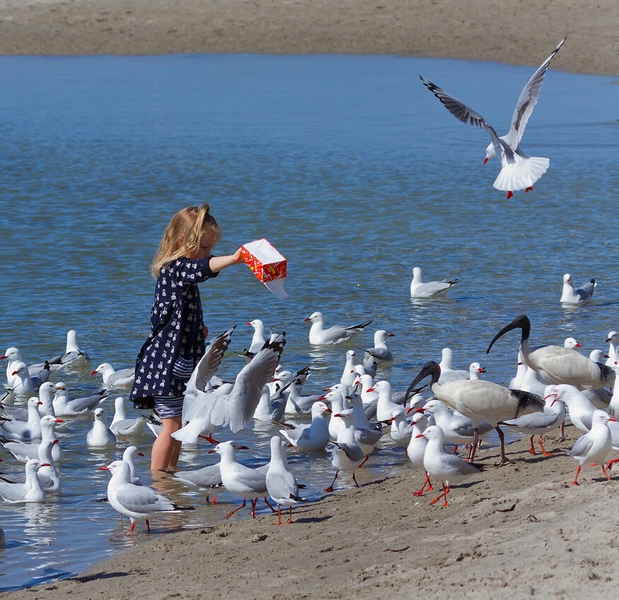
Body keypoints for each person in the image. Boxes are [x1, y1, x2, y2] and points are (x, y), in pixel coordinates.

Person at [129, 203, 244, 473]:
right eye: (203, 248)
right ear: (183, 241)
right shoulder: (175, 268)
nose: (207, 255)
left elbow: (169, 315)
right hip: (165, 364)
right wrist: (234, 258)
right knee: (171, 425)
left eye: (210, 250)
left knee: (179, 424)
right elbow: (203, 269)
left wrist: (197, 330)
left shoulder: (181, 276)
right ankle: (159, 478)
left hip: (178, 360)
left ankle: (170, 474)